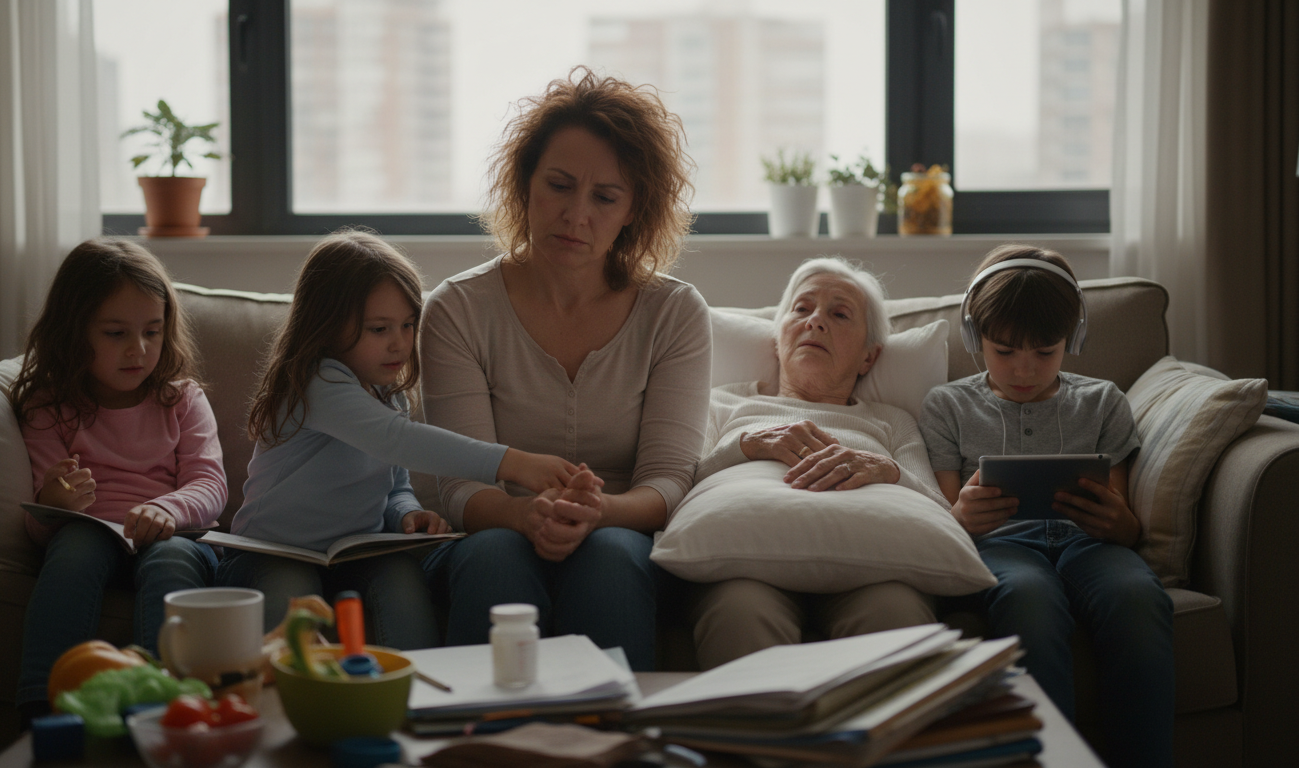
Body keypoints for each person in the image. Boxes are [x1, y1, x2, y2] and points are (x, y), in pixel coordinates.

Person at [419, 67, 711, 671]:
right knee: (497, 554)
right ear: (525, 185)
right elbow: (458, 483)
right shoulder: (456, 309)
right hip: (496, 530)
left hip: (620, 530)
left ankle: (608, 745)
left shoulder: (675, 313)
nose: (576, 214)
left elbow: (668, 482)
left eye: (605, 197)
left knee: (608, 556)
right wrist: (527, 514)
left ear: (634, 210)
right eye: (559, 185)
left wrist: (599, 511)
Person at [218, 230, 576, 649]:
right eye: (379, 328)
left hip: (354, 555)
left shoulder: (388, 394)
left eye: (408, 325)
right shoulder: (318, 382)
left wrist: (406, 512)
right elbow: (395, 441)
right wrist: (512, 462)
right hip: (269, 553)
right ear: (326, 327)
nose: (400, 342)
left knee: (401, 577)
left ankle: (419, 702)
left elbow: (395, 482)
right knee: (291, 588)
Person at [917, 245, 1173, 768]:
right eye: (1004, 351)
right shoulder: (947, 406)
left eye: (1045, 351)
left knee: (1137, 598)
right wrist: (961, 518)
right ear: (974, 337)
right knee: (1028, 600)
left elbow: (1122, 522)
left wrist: (1120, 524)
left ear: (1072, 339)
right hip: (1003, 547)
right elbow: (945, 522)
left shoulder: (1103, 402)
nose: (1024, 370)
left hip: (1088, 545)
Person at [687, 257, 945, 669]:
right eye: (802, 309)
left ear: (868, 358)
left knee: (895, 614)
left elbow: (940, 508)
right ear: (777, 340)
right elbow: (677, 484)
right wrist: (748, 446)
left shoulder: (893, 421)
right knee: (740, 613)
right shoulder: (719, 403)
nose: (815, 322)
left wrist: (886, 470)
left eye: (839, 313)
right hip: (747, 565)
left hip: (873, 569)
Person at [11, 239, 226, 720]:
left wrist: (166, 509)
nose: (139, 350)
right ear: (74, 331)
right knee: (73, 549)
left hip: (174, 536)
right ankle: (43, 708)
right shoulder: (50, 406)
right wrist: (55, 501)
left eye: (153, 331)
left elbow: (210, 486)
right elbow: (38, 527)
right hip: (92, 535)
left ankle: (167, 708)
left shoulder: (182, 399)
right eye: (115, 334)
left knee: (172, 560)